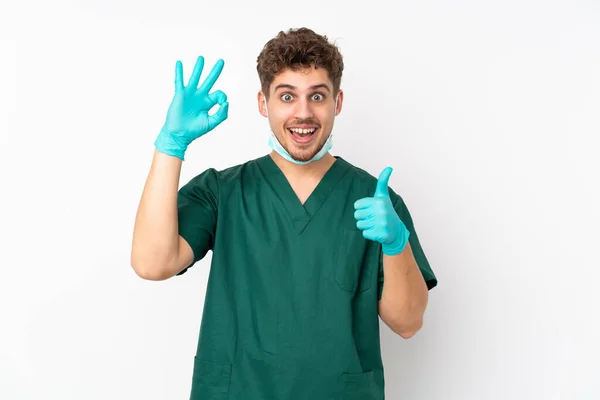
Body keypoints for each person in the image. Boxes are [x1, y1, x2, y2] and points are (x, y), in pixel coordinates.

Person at [131, 27, 438, 400]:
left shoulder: (376, 202)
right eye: (287, 96)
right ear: (263, 103)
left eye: (318, 96)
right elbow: (151, 263)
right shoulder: (223, 192)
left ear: (337, 102)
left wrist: (395, 244)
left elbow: (407, 323)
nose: (303, 113)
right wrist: (171, 145)